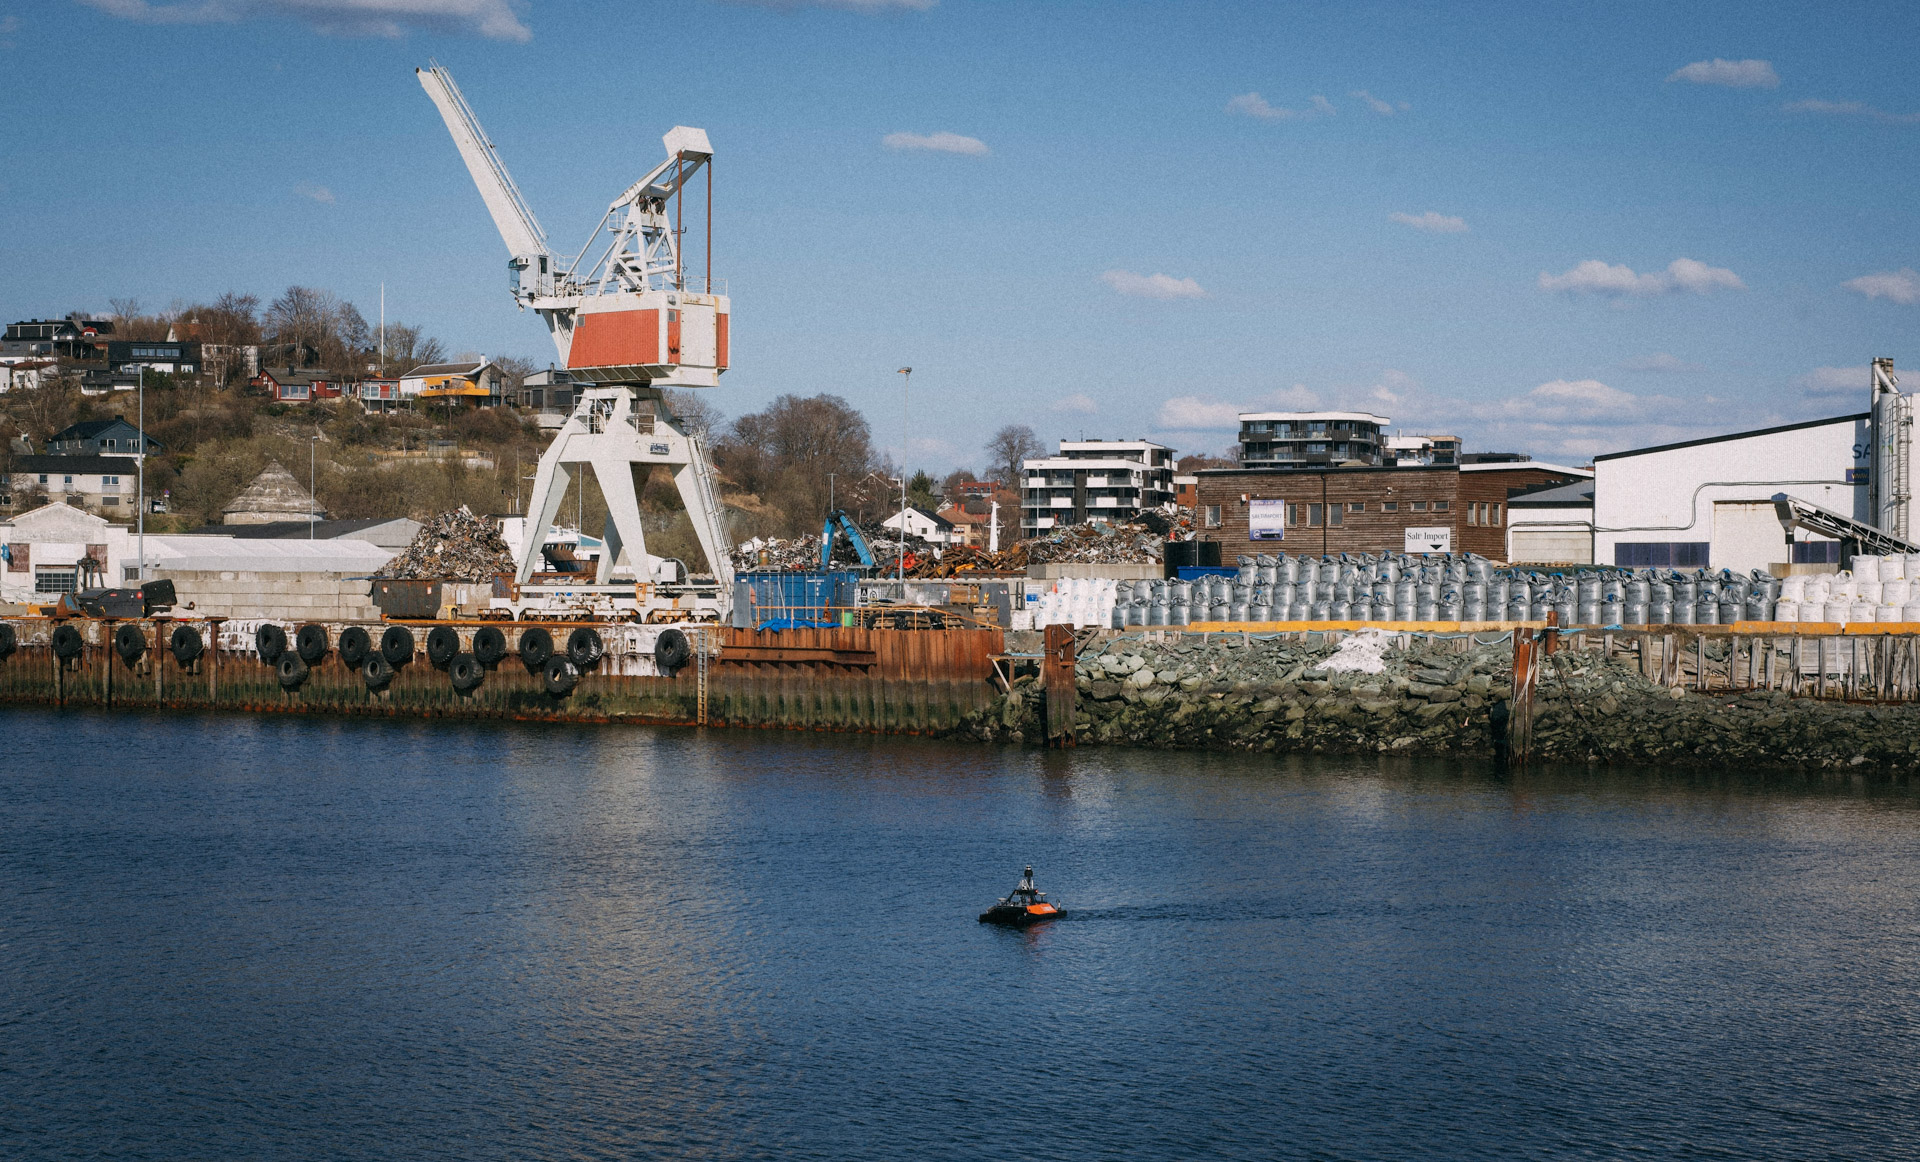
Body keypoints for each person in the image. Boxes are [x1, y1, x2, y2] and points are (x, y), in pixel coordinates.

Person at [1487, 695, 1511, 766]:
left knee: (1500, 744)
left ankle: (1501, 758)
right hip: (1503, 728)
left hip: (1498, 729)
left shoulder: (1496, 709)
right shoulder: (1503, 707)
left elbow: (1494, 719)